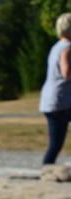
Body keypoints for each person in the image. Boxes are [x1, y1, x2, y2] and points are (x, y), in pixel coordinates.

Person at [39, 13, 71, 165]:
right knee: (55, 144)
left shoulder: (57, 47)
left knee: (55, 146)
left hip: (50, 101)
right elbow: (67, 73)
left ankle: (46, 171)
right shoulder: (68, 48)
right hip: (63, 100)